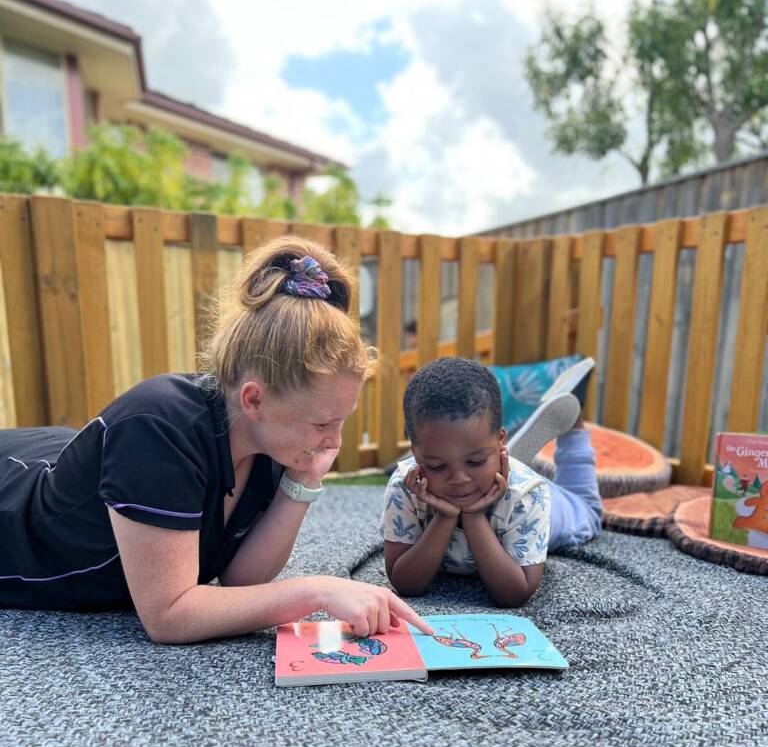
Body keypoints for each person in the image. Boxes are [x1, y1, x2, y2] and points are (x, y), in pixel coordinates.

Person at [0, 238, 433, 643]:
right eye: (322, 423)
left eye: (341, 421)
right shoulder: (158, 429)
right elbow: (169, 614)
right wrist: (316, 591)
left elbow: (242, 580)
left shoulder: (269, 438)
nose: (333, 440)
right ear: (253, 399)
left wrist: (301, 483)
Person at [380, 356, 601, 607]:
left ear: (500, 440)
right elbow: (405, 584)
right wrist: (446, 517)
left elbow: (515, 594)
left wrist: (473, 517)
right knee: (478, 470)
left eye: (474, 461)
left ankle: (575, 423)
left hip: (537, 504)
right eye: (437, 466)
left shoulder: (528, 495)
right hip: (494, 479)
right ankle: (491, 462)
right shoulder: (405, 487)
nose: (459, 479)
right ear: (415, 453)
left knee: (588, 510)